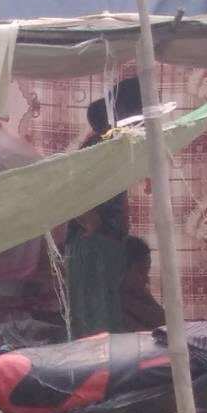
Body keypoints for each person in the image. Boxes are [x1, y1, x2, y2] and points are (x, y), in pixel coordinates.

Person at [67, 78, 142, 337]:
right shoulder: (99, 148)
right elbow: (72, 191)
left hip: (105, 244)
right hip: (94, 245)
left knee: (105, 321)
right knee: (96, 327)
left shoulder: (114, 145)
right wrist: (92, 223)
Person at [120, 237, 167, 332]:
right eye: (141, 271)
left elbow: (165, 320)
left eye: (147, 271)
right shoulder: (114, 303)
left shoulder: (138, 293)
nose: (147, 280)